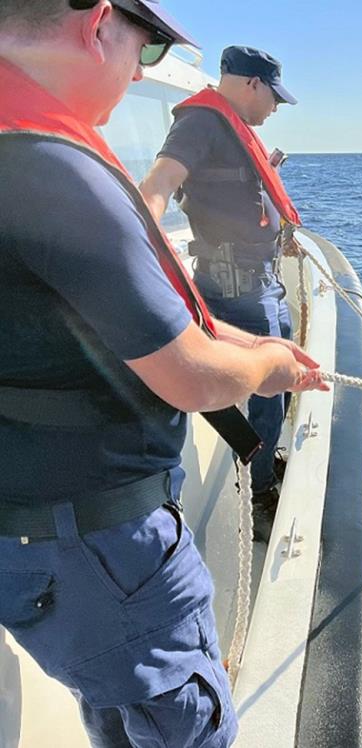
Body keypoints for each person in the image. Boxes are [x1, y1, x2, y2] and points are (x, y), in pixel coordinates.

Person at [0, 3, 326, 745]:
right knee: (181, 723)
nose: (134, 75)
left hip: (29, 527)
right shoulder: (50, 171)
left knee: (114, 699)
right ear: (99, 26)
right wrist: (269, 363)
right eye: (144, 55)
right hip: (97, 540)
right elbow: (190, 376)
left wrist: (235, 341)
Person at [140, 44, 301, 539]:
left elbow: (228, 196)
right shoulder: (200, 123)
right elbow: (162, 179)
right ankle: (259, 494)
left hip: (263, 281)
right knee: (272, 384)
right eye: (273, 96)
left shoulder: (233, 130)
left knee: (286, 364)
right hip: (238, 288)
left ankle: (264, 459)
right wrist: (137, 235)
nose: (275, 107)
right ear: (251, 83)